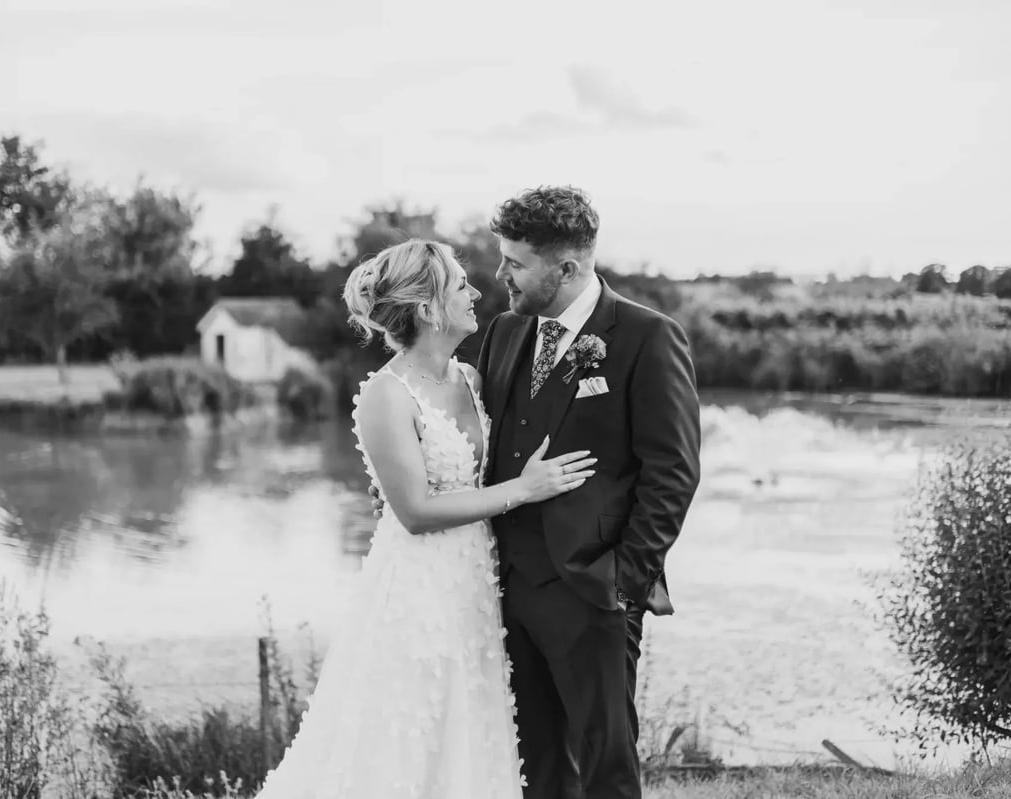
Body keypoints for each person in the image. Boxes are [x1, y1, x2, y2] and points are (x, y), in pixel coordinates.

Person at [255, 238, 596, 799]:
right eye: (461, 283)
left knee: (471, 721)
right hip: (418, 583)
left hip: (477, 580)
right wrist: (523, 489)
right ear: (427, 306)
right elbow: (413, 511)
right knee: (411, 724)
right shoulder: (385, 396)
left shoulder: (471, 379)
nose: (476, 291)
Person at [479, 185, 701, 799]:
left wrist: (623, 582)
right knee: (537, 767)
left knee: (604, 768)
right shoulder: (504, 332)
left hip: (593, 591)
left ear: (568, 267)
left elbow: (673, 472)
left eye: (516, 262)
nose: (502, 273)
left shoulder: (647, 338)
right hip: (508, 589)